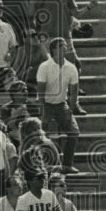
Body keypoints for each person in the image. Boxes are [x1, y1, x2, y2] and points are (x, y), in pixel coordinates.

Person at [36, 38, 80, 174]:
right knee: (42, 135)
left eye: (65, 46)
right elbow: (41, 92)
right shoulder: (44, 67)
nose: (64, 49)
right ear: (53, 49)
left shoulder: (72, 68)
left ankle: (67, 165)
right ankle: (44, 166)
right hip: (47, 105)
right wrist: (42, 110)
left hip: (62, 104)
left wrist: (70, 111)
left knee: (74, 132)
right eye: (61, 46)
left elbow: (74, 93)